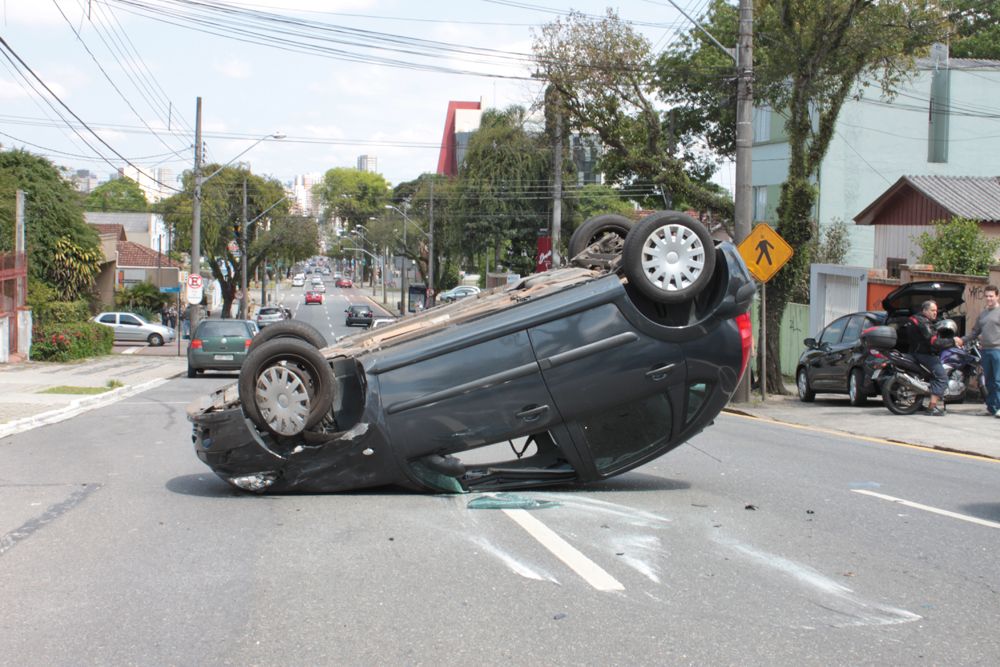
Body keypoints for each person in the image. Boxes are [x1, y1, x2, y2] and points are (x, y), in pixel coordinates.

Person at [954, 284, 1000, 417]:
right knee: (989, 381)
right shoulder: (983, 314)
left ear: (997, 296)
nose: (989, 298)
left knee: (998, 380)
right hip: (985, 351)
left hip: (998, 350)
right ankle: (992, 407)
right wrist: (962, 340)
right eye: (986, 296)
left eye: (991, 296)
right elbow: (974, 332)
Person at [906, 299, 953, 416]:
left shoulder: (914, 319)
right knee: (942, 377)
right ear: (925, 310)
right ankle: (932, 407)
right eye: (932, 310)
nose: (935, 313)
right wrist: (952, 341)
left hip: (914, 352)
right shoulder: (923, 322)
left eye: (936, 311)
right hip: (924, 354)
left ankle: (923, 403)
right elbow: (933, 341)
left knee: (931, 376)